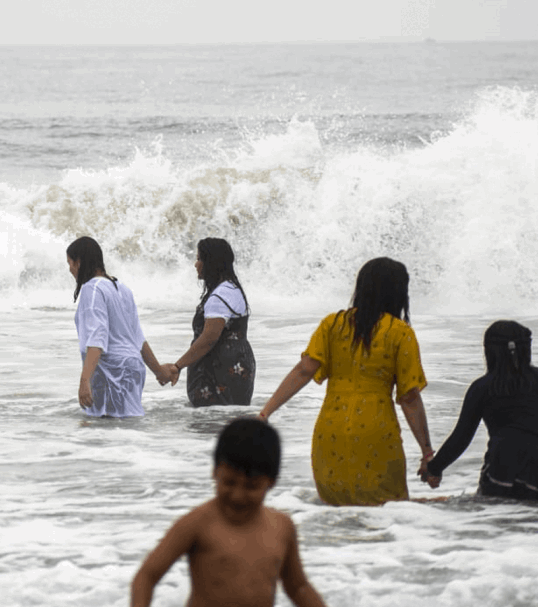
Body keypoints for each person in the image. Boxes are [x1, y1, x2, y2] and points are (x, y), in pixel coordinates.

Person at [258, 257, 434, 506]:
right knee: (388, 515)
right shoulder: (400, 332)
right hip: (377, 434)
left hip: (330, 434)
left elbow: (304, 370)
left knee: (335, 517)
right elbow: (409, 397)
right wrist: (427, 452)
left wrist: (265, 413)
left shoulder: (332, 324)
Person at [130, 418, 326, 607]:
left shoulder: (281, 526)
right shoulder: (198, 523)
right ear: (215, 472)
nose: (238, 495)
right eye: (229, 482)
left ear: (271, 483)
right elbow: (147, 576)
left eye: (252, 486)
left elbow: (298, 587)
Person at [421, 320, 538, 499]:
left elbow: (461, 437)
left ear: (489, 352)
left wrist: (434, 468)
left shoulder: (482, 387)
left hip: (502, 469)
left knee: (501, 519)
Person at [67, 236, 174, 417]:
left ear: (79, 262)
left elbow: (97, 337)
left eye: (70, 263)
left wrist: (84, 381)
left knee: (104, 434)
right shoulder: (122, 288)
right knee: (125, 434)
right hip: (133, 370)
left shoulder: (92, 289)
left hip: (111, 371)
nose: (70, 270)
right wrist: (159, 371)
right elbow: (137, 338)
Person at [168, 238, 256, 407]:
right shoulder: (233, 289)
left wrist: (177, 366)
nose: (196, 264)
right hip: (239, 364)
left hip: (219, 371)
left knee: (210, 425)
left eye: (199, 259)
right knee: (230, 419)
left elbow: (209, 338)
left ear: (211, 263)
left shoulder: (219, 296)